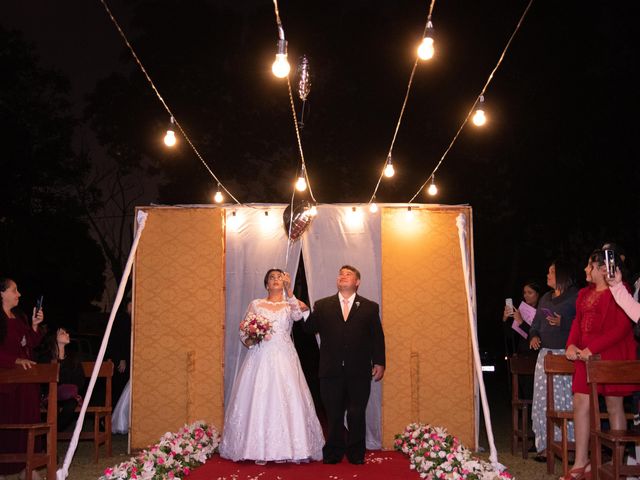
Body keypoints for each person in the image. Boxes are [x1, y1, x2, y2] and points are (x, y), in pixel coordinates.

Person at [219, 269, 324, 464]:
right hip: (260, 355)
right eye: (272, 278)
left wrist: (290, 291)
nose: (276, 280)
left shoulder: (289, 303)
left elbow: (298, 316)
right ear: (266, 284)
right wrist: (251, 336)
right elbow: (245, 329)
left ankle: (290, 447)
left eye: (279, 277)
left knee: (286, 397)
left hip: (284, 356)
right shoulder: (256, 304)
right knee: (258, 396)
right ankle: (254, 447)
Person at [562, 249, 638, 480]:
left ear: (602, 268)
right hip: (583, 358)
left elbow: (624, 326)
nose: (586, 270)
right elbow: (578, 321)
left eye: (590, 266)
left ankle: (616, 462)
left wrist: (593, 349)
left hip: (610, 354)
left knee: (614, 405)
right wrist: (571, 346)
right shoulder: (584, 294)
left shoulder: (620, 289)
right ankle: (581, 461)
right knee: (580, 402)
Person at [303, 265, 386, 465]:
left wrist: (380, 362)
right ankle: (333, 453)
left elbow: (377, 337)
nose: (343, 276)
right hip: (330, 370)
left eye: (348, 274)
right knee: (334, 415)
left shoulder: (370, 306)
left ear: (357, 282)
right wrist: (305, 312)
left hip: (358, 370)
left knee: (357, 413)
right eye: (340, 274)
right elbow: (309, 329)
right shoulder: (322, 305)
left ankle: (356, 454)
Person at [528, 260, 578, 462]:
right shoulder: (546, 298)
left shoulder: (575, 295)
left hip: (566, 355)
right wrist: (533, 335)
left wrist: (563, 322)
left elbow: (582, 324)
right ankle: (545, 446)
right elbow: (536, 324)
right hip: (545, 356)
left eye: (551, 272)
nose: (547, 275)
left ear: (562, 275)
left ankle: (570, 445)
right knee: (543, 401)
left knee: (565, 401)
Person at [0, 278, 45, 480]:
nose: (19, 294)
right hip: (5, 381)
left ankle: (26, 468)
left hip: (25, 382)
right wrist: (14, 360)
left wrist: (35, 326)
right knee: (7, 424)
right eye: (14, 290)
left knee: (28, 421)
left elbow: (31, 343)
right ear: (2, 293)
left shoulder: (19, 317)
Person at [37, 327, 85, 431]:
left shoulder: (73, 358)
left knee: (71, 405)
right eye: (62, 333)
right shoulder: (46, 358)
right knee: (53, 406)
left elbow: (80, 380)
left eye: (67, 332)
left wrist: (69, 388)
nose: (67, 334)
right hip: (51, 395)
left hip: (69, 396)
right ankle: (49, 436)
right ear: (54, 338)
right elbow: (43, 380)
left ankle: (52, 433)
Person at [502, 281, 544, 356]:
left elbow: (539, 335)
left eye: (530, 293)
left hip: (536, 354)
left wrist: (521, 322)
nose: (526, 295)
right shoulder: (522, 309)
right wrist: (505, 318)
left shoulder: (542, 311)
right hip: (522, 353)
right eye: (524, 293)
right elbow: (510, 334)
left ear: (537, 294)